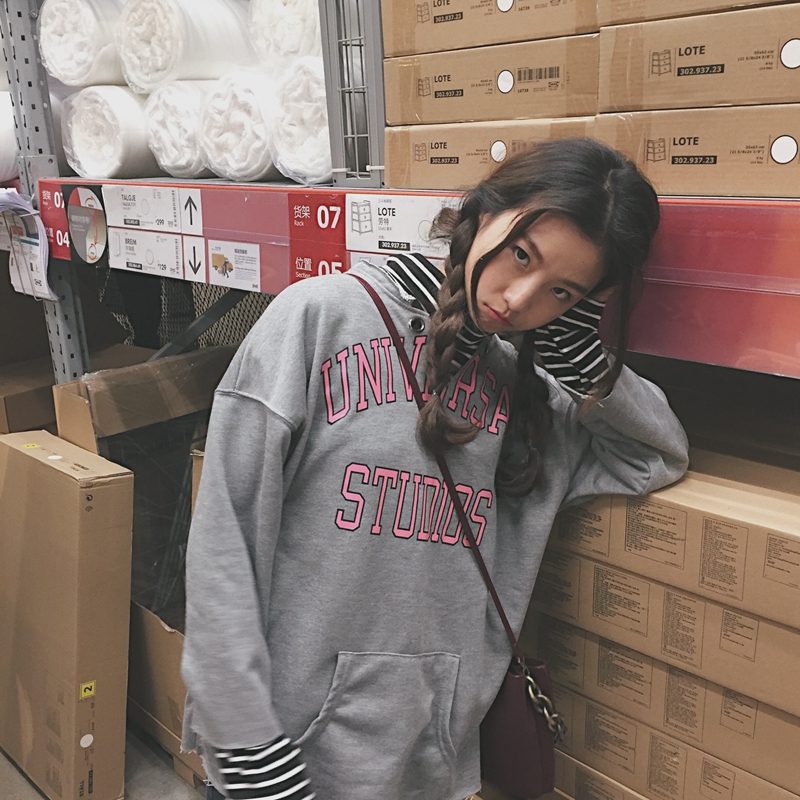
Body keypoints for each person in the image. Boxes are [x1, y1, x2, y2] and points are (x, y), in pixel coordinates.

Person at [180, 138, 689, 800]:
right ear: (486, 211)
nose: (520, 297)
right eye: (522, 254)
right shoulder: (322, 317)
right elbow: (226, 539)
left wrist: (577, 353)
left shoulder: (525, 395)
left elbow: (656, 452)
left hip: (430, 767)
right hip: (284, 764)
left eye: (560, 290)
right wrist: (246, 745)